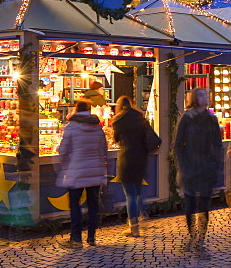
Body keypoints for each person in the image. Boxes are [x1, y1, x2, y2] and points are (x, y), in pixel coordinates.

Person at [173, 88, 223, 256]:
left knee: (204, 207)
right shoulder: (187, 118)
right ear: (194, 98)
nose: (205, 96)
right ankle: (192, 236)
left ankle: (200, 241)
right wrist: (183, 166)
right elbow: (178, 145)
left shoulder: (211, 119)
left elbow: (217, 144)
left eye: (206, 94)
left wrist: (217, 164)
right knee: (190, 205)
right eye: (201, 94)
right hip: (190, 168)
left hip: (206, 168)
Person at [55, 98, 108, 245]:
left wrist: (66, 167)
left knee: (75, 205)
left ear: (76, 110)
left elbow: (63, 151)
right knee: (93, 205)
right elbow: (104, 150)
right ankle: (91, 237)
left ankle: (76, 237)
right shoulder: (98, 128)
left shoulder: (71, 127)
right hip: (95, 172)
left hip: (77, 171)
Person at [110, 95, 156, 237]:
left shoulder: (118, 121)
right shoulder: (140, 118)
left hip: (127, 159)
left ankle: (134, 227)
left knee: (130, 195)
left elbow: (116, 139)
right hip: (141, 158)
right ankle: (141, 214)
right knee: (137, 192)